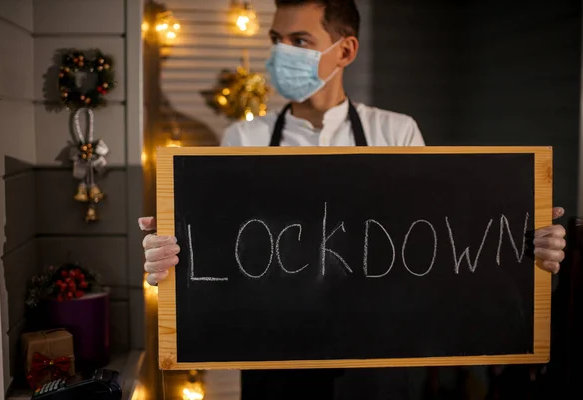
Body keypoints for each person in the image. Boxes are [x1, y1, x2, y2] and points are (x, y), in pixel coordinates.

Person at [139, 0, 567, 398]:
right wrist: (169, 259)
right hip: (273, 355)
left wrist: (530, 247)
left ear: (345, 51)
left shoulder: (396, 134)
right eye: (276, 40)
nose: (281, 53)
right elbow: (217, 253)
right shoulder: (243, 139)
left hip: (379, 357)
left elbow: (441, 244)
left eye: (299, 41)